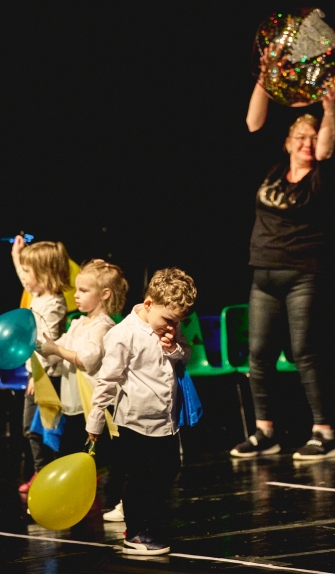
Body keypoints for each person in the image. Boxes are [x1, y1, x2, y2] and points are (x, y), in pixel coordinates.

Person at [230, 44, 335, 461]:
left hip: (302, 275)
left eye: (311, 138)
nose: (307, 143)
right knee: (258, 356)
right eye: (300, 137)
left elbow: (327, 148)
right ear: (287, 142)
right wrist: (265, 77)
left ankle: (325, 433)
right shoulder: (274, 169)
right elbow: (252, 122)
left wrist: (329, 109)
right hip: (263, 273)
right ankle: (265, 432)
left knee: (304, 353)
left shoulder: (320, 176)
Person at [86, 267, 196, 555]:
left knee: (168, 469)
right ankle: (134, 532)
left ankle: (150, 523)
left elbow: (185, 354)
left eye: (177, 323)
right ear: (148, 304)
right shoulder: (123, 334)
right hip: (135, 421)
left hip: (165, 419)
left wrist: (174, 348)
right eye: (168, 321)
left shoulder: (171, 329)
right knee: (138, 476)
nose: (172, 327)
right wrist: (96, 419)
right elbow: (108, 379)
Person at [39, 260, 129, 521]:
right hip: (76, 402)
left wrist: (56, 349)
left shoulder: (103, 326)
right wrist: (41, 345)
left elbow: (87, 359)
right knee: (71, 452)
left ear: (105, 294)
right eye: (76, 289)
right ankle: (65, 502)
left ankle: (119, 503)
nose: (76, 295)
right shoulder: (78, 323)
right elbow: (58, 350)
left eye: (84, 290)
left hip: (97, 404)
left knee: (110, 455)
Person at [10, 236, 70, 493]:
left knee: (41, 428)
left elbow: (47, 345)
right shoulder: (40, 294)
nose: (23, 277)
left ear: (44, 274)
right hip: (36, 374)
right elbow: (26, 279)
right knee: (31, 427)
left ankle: (46, 472)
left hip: (46, 377)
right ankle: (42, 471)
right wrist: (17, 256)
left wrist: (38, 375)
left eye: (28, 271)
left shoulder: (53, 304)